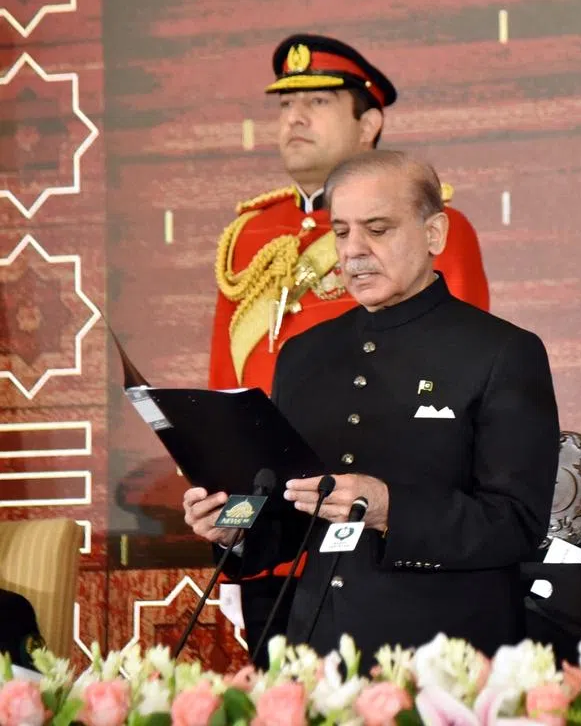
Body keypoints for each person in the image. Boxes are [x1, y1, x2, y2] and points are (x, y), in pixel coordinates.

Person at [185, 150, 559, 658]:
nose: (353, 251)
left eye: (378, 229)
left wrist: (390, 509)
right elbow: (291, 518)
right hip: (315, 648)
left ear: (434, 235)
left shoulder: (501, 352)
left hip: (449, 653)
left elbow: (517, 524)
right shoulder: (303, 356)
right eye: (341, 232)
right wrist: (236, 531)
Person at [208, 34, 490, 662]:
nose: (295, 119)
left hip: (383, 535)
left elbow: (452, 376)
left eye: (317, 102)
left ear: (370, 123)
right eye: (284, 106)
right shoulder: (248, 234)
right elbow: (227, 390)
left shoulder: (430, 226)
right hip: (273, 536)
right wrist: (233, 524)